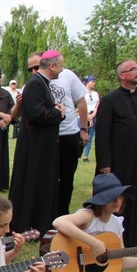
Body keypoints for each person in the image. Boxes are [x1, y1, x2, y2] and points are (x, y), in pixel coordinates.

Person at [94, 59, 137, 247]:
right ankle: (119, 238)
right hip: (121, 160)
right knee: (121, 200)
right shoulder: (110, 101)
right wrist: (104, 163)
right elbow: (102, 135)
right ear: (122, 75)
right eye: (133, 69)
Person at [9, 50, 66, 236]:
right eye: (61, 65)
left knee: (40, 183)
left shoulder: (42, 83)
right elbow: (37, 114)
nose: (62, 69)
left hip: (42, 145)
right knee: (31, 183)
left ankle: (37, 222)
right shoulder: (35, 84)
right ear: (52, 66)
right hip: (34, 146)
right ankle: (26, 223)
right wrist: (59, 113)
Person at [51, 66, 88, 216]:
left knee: (67, 177)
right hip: (49, 135)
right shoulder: (38, 80)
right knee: (49, 177)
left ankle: (62, 213)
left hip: (69, 133)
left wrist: (83, 128)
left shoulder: (68, 75)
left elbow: (81, 101)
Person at [81, 75, 100, 163]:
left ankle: (86, 156)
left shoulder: (95, 94)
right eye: (92, 81)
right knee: (81, 135)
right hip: (83, 116)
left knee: (90, 136)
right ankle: (79, 152)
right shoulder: (82, 92)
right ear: (87, 82)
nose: (94, 83)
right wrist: (88, 117)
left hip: (93, 115)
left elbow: (97, 105)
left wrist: (93, 115)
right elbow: (81, 104)